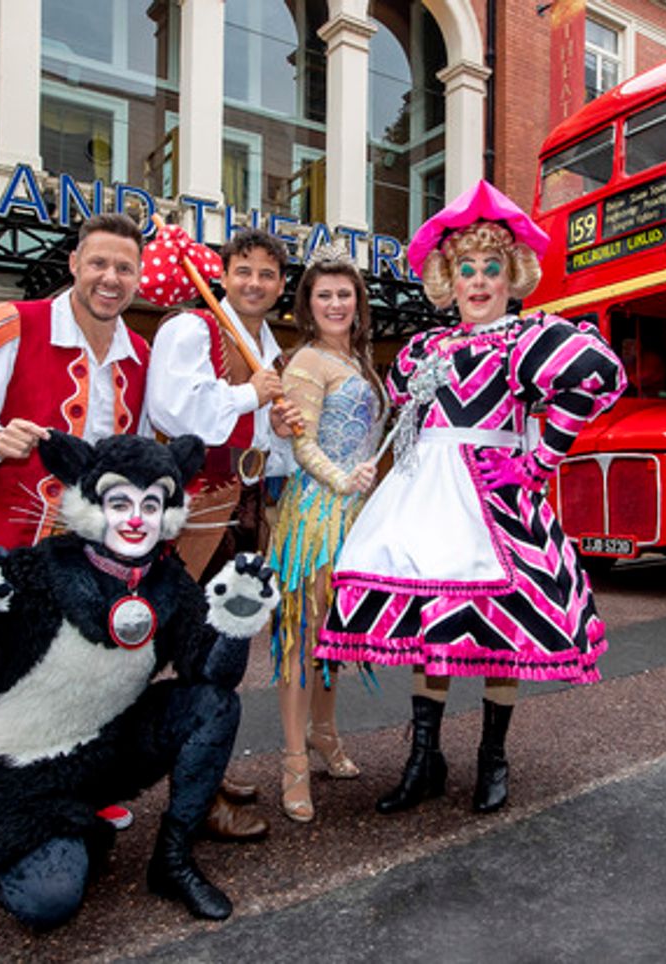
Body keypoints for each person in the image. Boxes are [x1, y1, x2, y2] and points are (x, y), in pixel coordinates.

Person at [316, 181, 626, 815]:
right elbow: (404, 421)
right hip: (424, 497)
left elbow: (597, 378)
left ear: (512, 276)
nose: (479, 282)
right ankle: (424, 758)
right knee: (431, 626)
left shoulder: (528, 337)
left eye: (491, 269)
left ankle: (493, 758)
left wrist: (539, 459)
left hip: (493, 500)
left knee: (498, 630)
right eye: (466, 270)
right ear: (447, 279)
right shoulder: (422, 349)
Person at [0, 431, 280, 928]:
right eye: (120, 502)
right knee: (48, 902)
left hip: (104, 752)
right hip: (22, 772)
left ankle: (172, 860)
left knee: (214, 706)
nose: (136, 518)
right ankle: (42, 836)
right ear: (92, 503)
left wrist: (236, 620)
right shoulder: (36, 569)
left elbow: (215, 676)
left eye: (151, 503)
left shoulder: (169, 582)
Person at [0, 212, 150, 910]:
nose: (111, 278)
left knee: (78, 685)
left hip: (83, 561)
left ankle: (75, 791)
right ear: (74, 262)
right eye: (99, 263)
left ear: (138, 278)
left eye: (124, 268)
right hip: (0, 550)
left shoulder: (135, 351)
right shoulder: (7, 326)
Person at [143, 225, 303, 841]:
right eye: (244, 271)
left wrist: (280, 431)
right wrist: (247, 393)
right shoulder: (192, 328)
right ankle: (195, 796)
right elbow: (170, 410)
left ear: (280, 285)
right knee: (199, 659)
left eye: (267, 275)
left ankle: (205, 767)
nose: (254, 283)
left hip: (249, 514)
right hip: (202, 520)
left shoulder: (267, 344)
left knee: (224, 656)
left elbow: (262, 442)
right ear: (224, 274)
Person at [265, 246, 386, 821]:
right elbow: (301, 442)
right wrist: (343, 480)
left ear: (357, 303)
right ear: (308, 307)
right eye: (325, 295)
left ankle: (325, 732)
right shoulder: (308, 362)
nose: (337, 303)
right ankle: (292, 759)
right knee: (301, 637)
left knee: (338, 635)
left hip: (356, 515)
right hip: (314, 517)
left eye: (345, 294)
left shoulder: (360, 362)